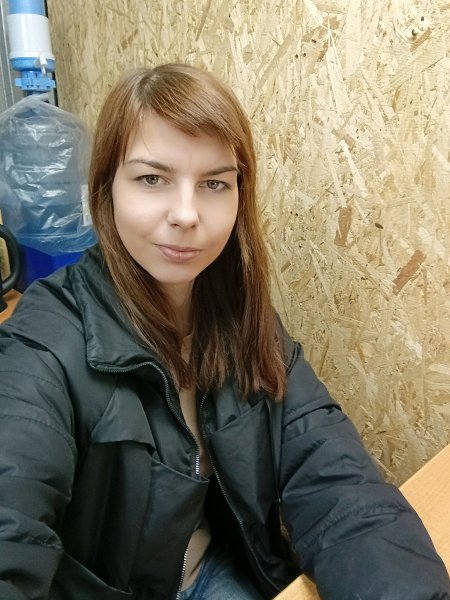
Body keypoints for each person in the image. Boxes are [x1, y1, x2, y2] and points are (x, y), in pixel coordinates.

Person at [0, 63, 448, 600]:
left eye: (214, 183)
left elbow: (334, 480)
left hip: (219, 571)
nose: (186, 214)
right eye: (151, 179)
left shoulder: (242, 317)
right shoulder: (42, 346)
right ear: (105, 190)